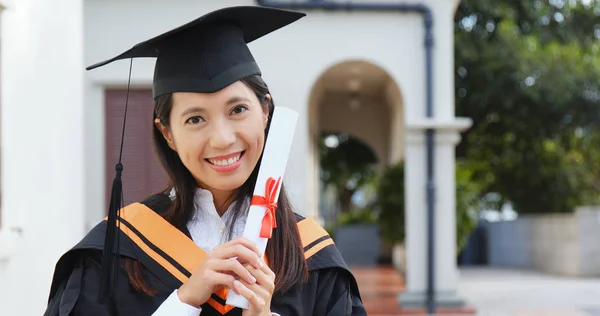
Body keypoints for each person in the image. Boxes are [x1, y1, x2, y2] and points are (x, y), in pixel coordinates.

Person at [43, 5, 367, 316]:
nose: (222, 138)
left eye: (237, 109)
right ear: (167, 133)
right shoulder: (114, 252)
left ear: (265, 111)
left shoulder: (313, 257)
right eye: (195, 119)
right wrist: (183, 302)